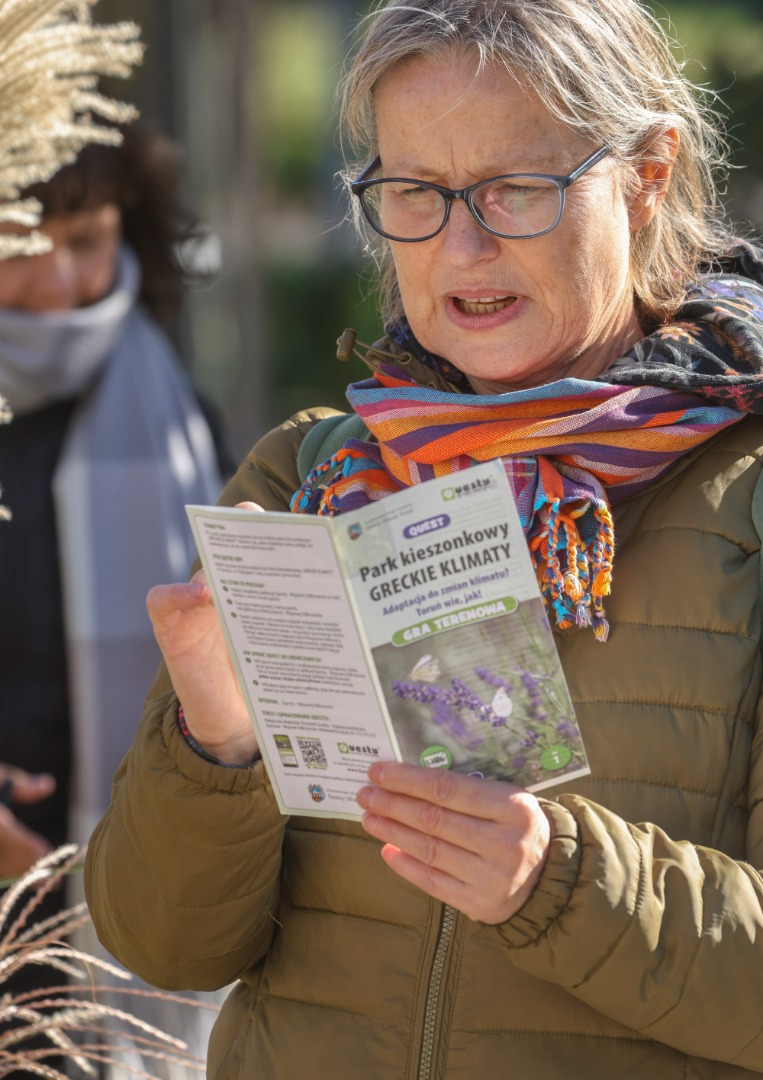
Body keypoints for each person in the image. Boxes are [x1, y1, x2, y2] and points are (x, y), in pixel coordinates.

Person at [86, 0, 763, 1076]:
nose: (461, 244)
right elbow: (159, 946)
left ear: (644, 175)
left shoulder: (747, 496)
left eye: (514, 189)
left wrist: (556, 882)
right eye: (415, 192)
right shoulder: (307, 476)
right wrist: (215, 746)